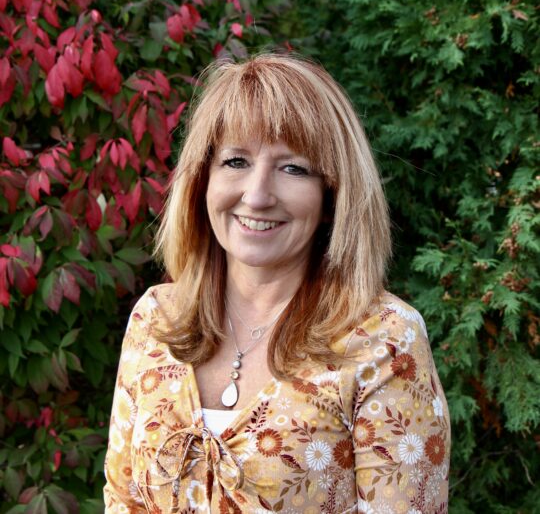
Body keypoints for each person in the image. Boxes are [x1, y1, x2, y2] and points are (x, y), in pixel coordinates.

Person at [103, 53, 450, 513]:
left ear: (332, 195)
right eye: (235, 160)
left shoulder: (384, 340)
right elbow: (122, 500)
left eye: (293, 168)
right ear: (202, 179)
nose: (258, 194)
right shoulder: (156, 320)